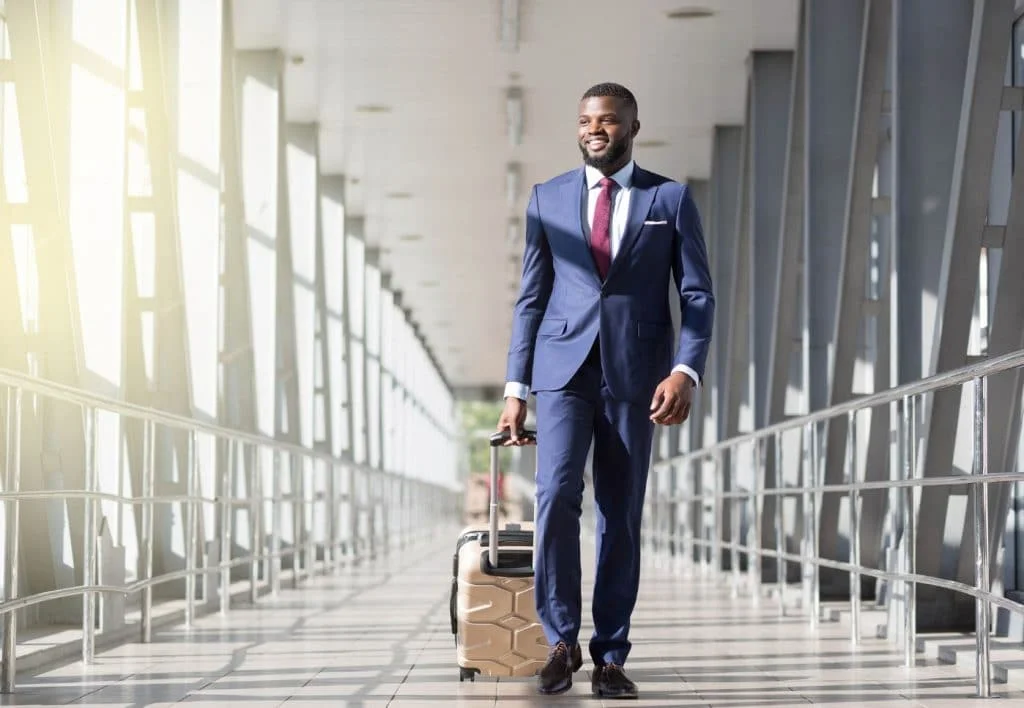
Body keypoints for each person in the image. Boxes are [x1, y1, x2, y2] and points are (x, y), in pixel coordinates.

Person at [496, 82, 715, 699]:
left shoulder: (668, 199)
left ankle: (611, 655)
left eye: (609, 121)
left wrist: (685, 370)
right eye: (587, 120)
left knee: (620, 512)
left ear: (633, 127)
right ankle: (560, 642)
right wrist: (516, 387)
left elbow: (696, 295)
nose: (596, 129)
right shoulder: (548, 198)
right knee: (556, 493)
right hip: (561, 370)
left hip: (637, 373)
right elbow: (531, 298)